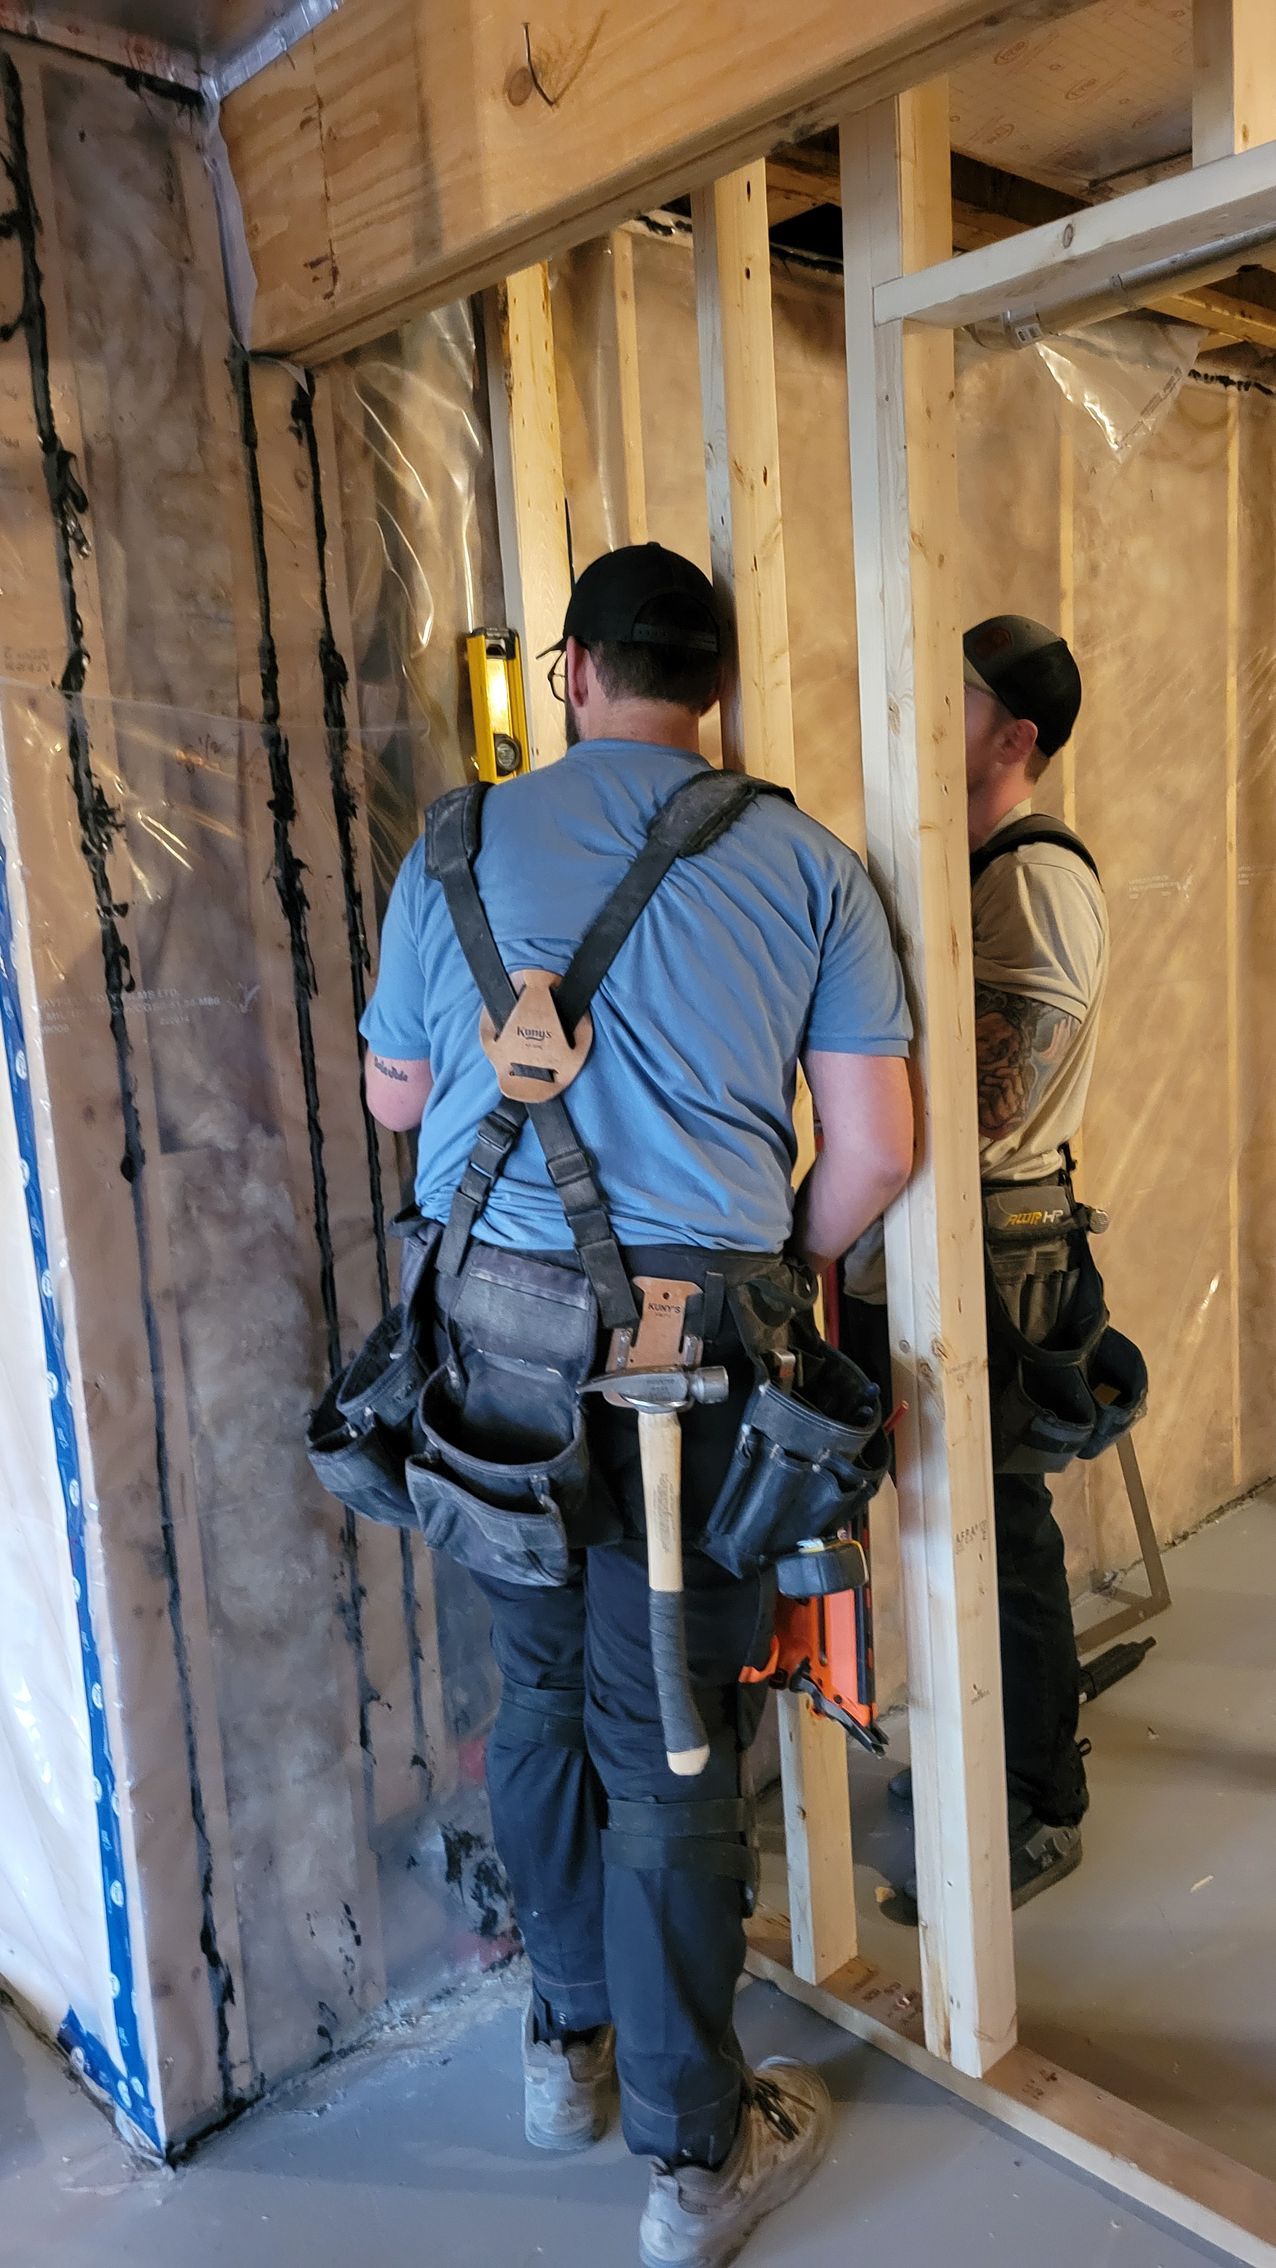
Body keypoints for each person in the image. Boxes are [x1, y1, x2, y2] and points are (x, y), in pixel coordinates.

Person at [359, 543, 914, 2268]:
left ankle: (565, 2055)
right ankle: (693, 2161)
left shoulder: (452, 846)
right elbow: (877, 1153)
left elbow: (396, 1098)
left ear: (575, 675)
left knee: (536, 1694)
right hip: (696, 1365)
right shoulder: (809, 865)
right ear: (716, 689)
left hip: (492, 1358)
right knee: (669, 1730)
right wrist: (765, 1267)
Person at [843, 613, 1105, 1917]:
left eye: (952, 698)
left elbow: (998, 1097)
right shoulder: (965, 862)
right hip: (940, 1231)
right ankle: (983, 1759)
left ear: (1015, 738)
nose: (921, 711)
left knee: (1000, 1535)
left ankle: (1037, 1805)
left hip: (997, 1250)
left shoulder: (1035, 877)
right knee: (954, 1526)